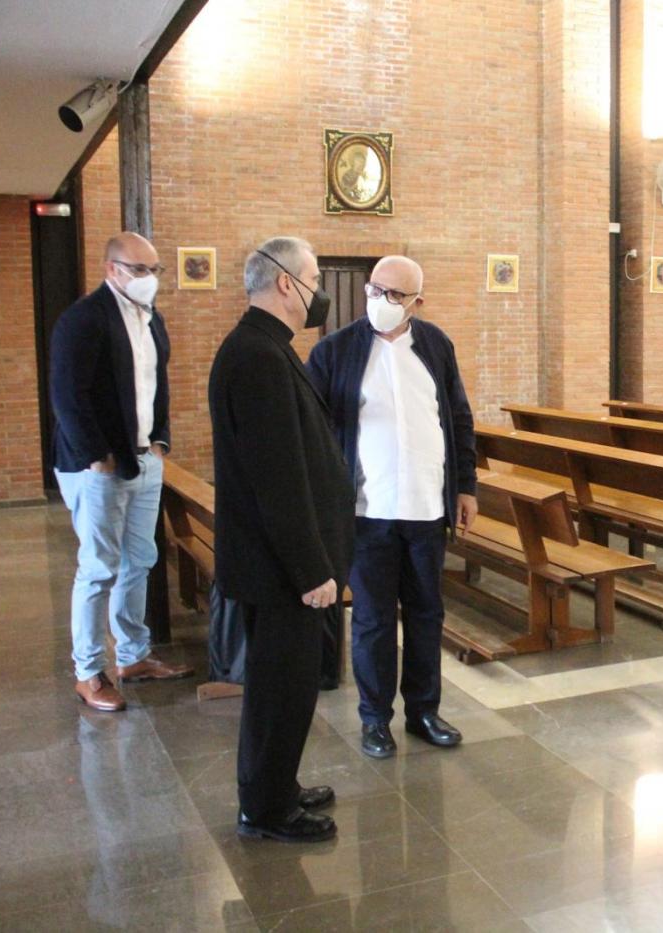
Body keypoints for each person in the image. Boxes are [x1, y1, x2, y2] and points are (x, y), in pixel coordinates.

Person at [209, 236, 356, 843]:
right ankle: (266, 809)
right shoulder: (257, 357)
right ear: (284, 283)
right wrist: (311, 570)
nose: (319, 290)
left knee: (289, 687)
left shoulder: (266, 348)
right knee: (278, 689)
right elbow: (279, 479)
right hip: (281, 571)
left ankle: (277, 785)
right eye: (315, 277)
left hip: (281, 566)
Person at [307, 255, 477, 760]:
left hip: (427, 509)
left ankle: (424, 711)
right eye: (375, 290)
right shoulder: (335, 351)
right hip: (367, 511)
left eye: (395, 295)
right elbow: (315, 432)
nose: (381, 300)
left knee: (426, 615)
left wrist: (464, 487)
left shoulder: (435, 346)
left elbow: (459, 420)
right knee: (374, 621)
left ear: (417, 303)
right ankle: (375, 719)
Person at [49, 231, 193, 712]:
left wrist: (159, 442)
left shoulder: (152, 320)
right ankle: (88, 671)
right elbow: (68, 395)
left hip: (143, 457)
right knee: (98, 569)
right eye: (140, 270)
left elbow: (157, 386)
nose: (150, 279)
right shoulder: (83, 319)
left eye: (156, 271)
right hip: (99, 465)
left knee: (141, 560)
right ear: (112, 269)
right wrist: (96, 455)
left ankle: (132, 656)